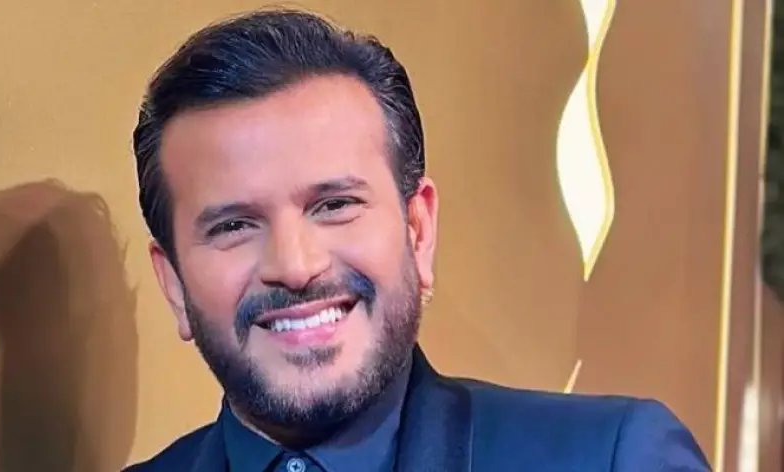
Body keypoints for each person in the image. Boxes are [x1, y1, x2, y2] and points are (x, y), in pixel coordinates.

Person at [124, 7, 711, 471]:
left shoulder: (611, 458)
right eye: (234, 226)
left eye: (335, 206)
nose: (295, 265)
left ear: (418, 231)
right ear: (173, 282)